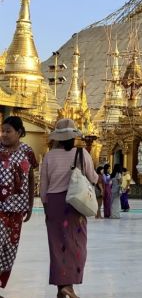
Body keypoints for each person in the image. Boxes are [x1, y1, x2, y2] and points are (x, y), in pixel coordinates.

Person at [39, 118, 99, 298]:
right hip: (75, 203)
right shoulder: (82, 154)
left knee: (57, 246)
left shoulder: (49, 156)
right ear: (74, 137)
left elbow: (43, 187)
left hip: (54, 204)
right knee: (76, 244)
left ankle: (61, 287)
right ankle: (69, 285)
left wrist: (46, 208)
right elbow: (94, 178)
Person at [0, 116, 37, 291]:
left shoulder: (27, 152)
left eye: (8, 131)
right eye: (2, 130)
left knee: (10, 251)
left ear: (19, 133)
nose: (4, 134)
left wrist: (30, 205)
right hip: (0, 208)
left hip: (17, 210)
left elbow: (30, 179)